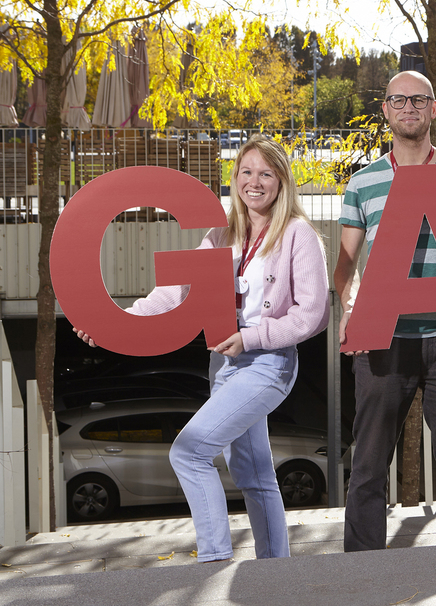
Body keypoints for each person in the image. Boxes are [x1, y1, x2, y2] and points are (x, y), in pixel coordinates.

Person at [75, 135, 330, 562]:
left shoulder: (297, 234)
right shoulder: (221, 234)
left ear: (282, 182)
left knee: (189, 450)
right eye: (246, 172)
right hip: (225, 365)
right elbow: (173, 293)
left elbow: (313, 314)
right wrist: (115, 326)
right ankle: (277, 569)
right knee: (253, 473)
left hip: (268, 364)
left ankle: (213, 560)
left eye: (266, 174)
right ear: (235, 178)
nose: (254, 182)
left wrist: (251, 337)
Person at [336, 70, 436, 550]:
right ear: (385, 110)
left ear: (434, 109)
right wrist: (349, 304)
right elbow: (345, 265)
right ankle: (360, 569)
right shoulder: (363, 182)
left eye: (418, 100)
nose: (408, 108)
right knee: (368, 465)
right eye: (398, 100)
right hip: (384, 337)